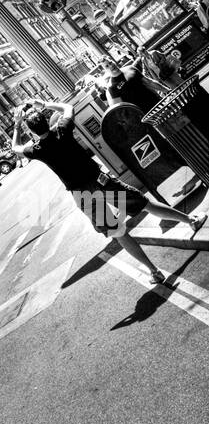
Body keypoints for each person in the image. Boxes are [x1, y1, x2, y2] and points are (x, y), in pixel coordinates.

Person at [12, 100, 205, 285]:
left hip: (83, 195)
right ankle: (192, 221)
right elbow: (67, 107)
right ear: (47, 121)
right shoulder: (62, 130)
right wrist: (43, 104)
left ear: (32, 131)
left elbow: (15, 148)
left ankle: (154, 271)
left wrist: (17, 125)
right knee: (145, 205)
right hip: (101, 182)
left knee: (118, 231)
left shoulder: (37, 149)